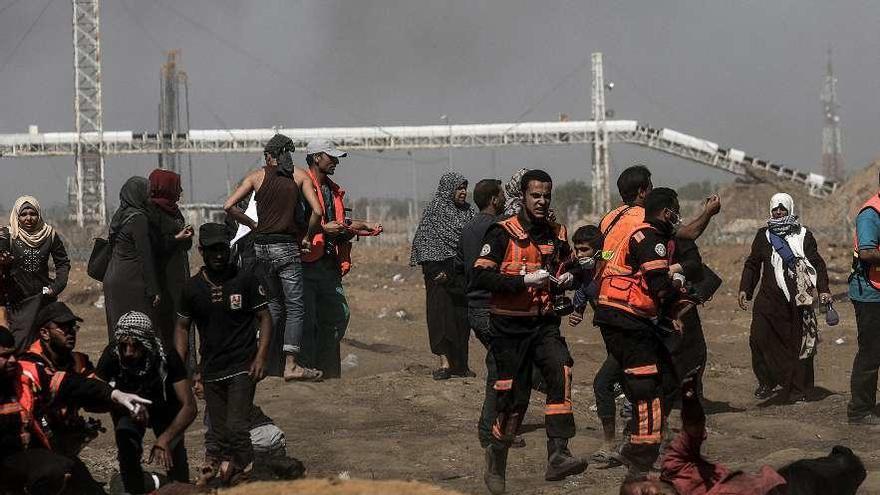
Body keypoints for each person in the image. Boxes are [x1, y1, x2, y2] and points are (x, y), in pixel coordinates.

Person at [473, 169, 587, 494]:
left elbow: (573, 267)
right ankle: (496, 459)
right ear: (522, 196)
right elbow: (480, 278)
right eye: (535, 195)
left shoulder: (557, 233)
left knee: (560, 369)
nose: (541, 201)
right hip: (508, 328)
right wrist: (522, 281)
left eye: (546, 196)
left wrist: (571, 278)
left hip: (544, 323)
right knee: (513, 399)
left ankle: (559, 454)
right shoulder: (501, 233)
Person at [594, 187, 690, 477]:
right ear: (665, 211)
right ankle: (642, 456)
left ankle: (639, 448)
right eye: (675, 209)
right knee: (645, 386)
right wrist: (681, 293)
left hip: (625, 315)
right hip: (625, 317)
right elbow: (658, 284)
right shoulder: (649, 237)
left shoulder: (628, 226)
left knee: (667, 378)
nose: (677, 216)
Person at [0, 326, 152, 494]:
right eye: (5, 356)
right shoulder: (32, 358)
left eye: (13, 353)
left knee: (71, 474)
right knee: (50, 470)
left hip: (27, 453)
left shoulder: (26, 373)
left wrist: (115, 395)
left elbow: (72, 384)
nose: (13, 359)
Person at [175, 223, 272, 484]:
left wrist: (261, 357)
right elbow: (183, 328)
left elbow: (265, 318)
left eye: (223, 249)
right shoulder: (192, 289)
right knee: (218, 432)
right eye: (212, 250)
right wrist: (179, 365)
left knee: (237, 427)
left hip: (243, 365)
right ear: (201, 251)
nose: (219, 255)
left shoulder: (245, 279)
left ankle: (247, 471)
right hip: (212, 370)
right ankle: (227, 472)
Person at [224, 134, 323, 382]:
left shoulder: (256, 177)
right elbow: (318, 211)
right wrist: (308, 237)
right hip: (286, 247)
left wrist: (252, 224)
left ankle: (260, 360)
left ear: (269, 155)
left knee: (272, 306)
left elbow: (229, 206)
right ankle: (290, 364)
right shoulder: (300, 176)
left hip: (261, 250)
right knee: (295, 306)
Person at [299, 139, 382, 379]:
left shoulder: (331, 189)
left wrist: (364, 226)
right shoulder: (301, 186)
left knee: (338, 315)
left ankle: (326, 368)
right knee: (308, 320)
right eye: (331, 157)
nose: (335, 162)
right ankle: (309, 369)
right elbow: (295, 224)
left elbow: (339, 222)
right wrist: (323, 230)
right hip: (306, 263)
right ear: (316, 158)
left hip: (328, 264)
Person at [738, 193, 830, 403]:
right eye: (775, 210)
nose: (778, 213)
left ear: (789, 210)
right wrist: (745, 288)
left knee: (796, 345)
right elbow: (753, 263)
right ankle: (766, 380)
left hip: (796, 302)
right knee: (758, 338)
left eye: (783, 209)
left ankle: (796, 387)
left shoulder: (804, 235)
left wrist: (824, 289)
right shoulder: (764, 236)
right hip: (768, 301)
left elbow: (817, 263)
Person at [96, 312, 196, 494]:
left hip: (165, 409)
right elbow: (97, 392)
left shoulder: (166, 357)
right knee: (126, 445)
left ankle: (181, 487)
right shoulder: (112, 355)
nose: (128, 352)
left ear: (147, 344)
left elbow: (189, 407)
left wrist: (165, 439)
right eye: (123, 345)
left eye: (135, 346)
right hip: (129, 409)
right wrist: (121, 405)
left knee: (174, 456)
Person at [411, 171, 476, 380]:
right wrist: (434, 271)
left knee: (462, 321)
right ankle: (445, 363)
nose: (463, 192)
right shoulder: (435, 211)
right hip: (439, 274)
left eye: (464, 187)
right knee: (441, 319)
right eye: (459, 188)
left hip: (462, 274)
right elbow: (424, 241)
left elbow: (475, 238)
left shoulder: (468, 212)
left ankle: (461, 364)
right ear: (448, 189)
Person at [457, 178, 506, 447]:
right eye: (501, 196)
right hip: (492, 306)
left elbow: (459, 265)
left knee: (503, 364)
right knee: (500, 369)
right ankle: (491, 430)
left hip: (475, 307)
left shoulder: (467, 228)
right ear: (494, 199)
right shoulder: (499, 228)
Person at [21, 302, 105, 459]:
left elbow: (95, 393)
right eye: (64, 327)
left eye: (73, 326)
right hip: (34, 444)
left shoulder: (78, 360)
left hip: (64, 439)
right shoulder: (29, 365)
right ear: (45, 333)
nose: (71, 332)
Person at [0, 196, 70, 348]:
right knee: (20, 342)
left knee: (47, 341)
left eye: (33, 214)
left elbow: (63, 262)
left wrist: (56, 287)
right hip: (17, 302)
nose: (28, 218)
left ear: (39, 214)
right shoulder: (8, 235)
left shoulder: (49, 235)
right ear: (17, 215)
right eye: (23, 214)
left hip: (43, 299)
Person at [103, 177, 161, 343]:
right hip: (131, 280)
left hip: (112, 278)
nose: (150, 199)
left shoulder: (120, 215)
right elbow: (145, 255)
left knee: (118, 329)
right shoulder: (138, 219)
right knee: (138, 329)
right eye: (148, 195)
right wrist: (153, 289)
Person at [147, 169, 194, 347]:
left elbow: (183, 244)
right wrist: (176, 238)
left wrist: (186, 237)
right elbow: (153, 245)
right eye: (177, 187)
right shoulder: (152, 212)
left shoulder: (174, 212)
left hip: (178, 273)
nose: (180, 191)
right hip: (164, 277)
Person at [847, 172, 880, 425]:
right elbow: (868, 253)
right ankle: (859, 410)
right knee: (870, 353)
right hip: (870, 295)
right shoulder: (870, 214)